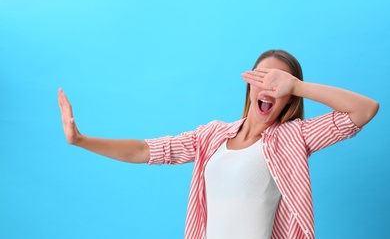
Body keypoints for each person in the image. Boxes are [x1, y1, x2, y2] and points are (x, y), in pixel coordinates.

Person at [58, 49, 379, 239]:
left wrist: (297, 85)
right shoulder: (211, 136)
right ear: (250, 83)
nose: (269, 87)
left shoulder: (293, 138)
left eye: (278, 82)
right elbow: (145, 150)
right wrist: (80, 140)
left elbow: (364, 110)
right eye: (262, 78)